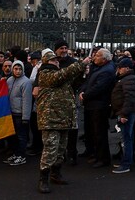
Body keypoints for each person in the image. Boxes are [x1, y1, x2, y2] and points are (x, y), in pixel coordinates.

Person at [36, 49, 91, 194]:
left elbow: (73, 82)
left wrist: (83, 73)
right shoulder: (45, 74)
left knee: (60, 149)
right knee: (50, 149)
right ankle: (43, 178)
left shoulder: (58, 76)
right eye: (54, 60)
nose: (57, 62)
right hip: (50, 119)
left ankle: (56, 173)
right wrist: (80, 64)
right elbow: (61, 75)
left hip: (63, 118)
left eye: (57, 60)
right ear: (47, 62)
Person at [79, 48, 115, 168]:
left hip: (99, 105)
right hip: (91, 105)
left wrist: (85, 95)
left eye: (97, 56)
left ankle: (103, 158)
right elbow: (88, 81)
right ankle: (95, 154)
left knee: (100, 133)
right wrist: (83, 91)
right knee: (92, 132)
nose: (94, 57)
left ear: (104, 59)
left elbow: (99, 88)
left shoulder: (107, 71)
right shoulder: (97, 68)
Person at [53, 39, 83, 165]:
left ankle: (72, 153)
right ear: (56, 50)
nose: (64, 50)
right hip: (56, 99)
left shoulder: (73, 63)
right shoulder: (53, 63)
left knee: (72, 127)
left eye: (66, 48)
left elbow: (79, 79)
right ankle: (60, 153)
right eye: (61, 48)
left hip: (71, 97)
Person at [111, 57, 135, 174]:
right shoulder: (127, 78)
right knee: (127, 137)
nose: (118, 70)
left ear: (126, 68)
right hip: (125, 111)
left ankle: (126, 163)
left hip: (126, 112)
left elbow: (129, 98)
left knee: (126, 138)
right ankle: (127, 160)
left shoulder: (129, 79)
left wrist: (124, 114)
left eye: (120, 68)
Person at [3, 60, 33, 166]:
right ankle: (16, 154)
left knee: (21, 136)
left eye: (20, 69)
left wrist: (25, 117)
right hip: (11, 112)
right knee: (13, 136)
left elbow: (27, 100)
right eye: (16, 69)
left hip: (20, 114)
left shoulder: (26, 82)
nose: (18, 71)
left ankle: (21, 155)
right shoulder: (9, 80)